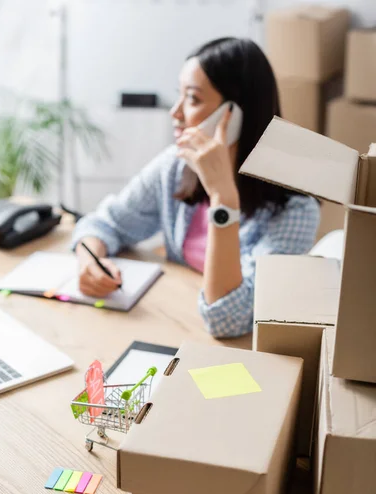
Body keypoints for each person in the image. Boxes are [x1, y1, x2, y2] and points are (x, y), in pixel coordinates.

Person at [72, 37, 320, 338]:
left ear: (236, 114)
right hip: (174, 324)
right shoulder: (177, 167)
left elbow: (227, 319)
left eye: (192, 99)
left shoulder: (294, 208)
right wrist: (90, 260)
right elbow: (104, 222)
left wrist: (223, 199)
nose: (175, 112)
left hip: (236, 352)